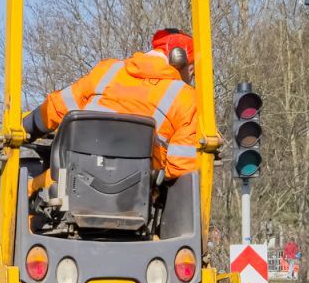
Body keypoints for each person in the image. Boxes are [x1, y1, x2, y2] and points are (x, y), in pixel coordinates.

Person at [23, 27, 203, 183]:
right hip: (138, 200)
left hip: (72, 182)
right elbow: (181, 167)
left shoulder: (107, 71)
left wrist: (24, 127)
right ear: (189, 66)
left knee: (27, 190)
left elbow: (56, 107)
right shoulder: (187, 98)